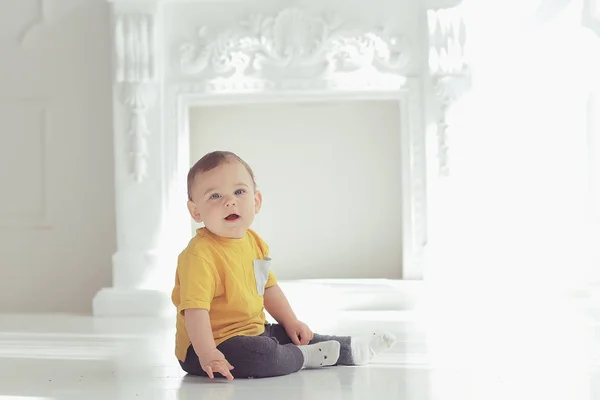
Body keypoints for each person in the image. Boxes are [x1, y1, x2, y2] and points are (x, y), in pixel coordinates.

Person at [171, 151, 396, 380]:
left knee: (292, 334)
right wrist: (208, 353)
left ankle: (349, 348)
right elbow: (195, 311)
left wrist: (291, 321)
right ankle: (304, 357)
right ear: (196, 211)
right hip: (210, 346)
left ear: (256, 201)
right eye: (215, 196)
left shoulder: (254, 242)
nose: (230, 201)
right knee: (261, 354)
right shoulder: (199, 256)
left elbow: (268, 289)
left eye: (239, 192)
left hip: (254, 330)